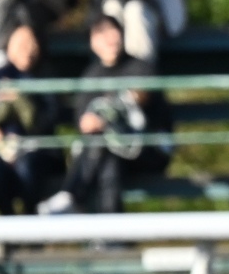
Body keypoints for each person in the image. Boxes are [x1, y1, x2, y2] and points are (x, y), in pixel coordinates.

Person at [38, 12, 172, 216]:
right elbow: (83, 123)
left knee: (104, 145)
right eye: (101, 32)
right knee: (109, 160)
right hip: (109, 152)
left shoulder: (141, 67)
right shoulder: (91, 77)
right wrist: (93, 122)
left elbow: (141, 95)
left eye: (112, 30)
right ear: (92, 42)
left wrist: (107, 114)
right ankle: (110, 230)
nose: (109, 38)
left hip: (148, 149)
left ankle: (71, 197)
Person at [0, 24, 60, 215]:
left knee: (27, 168)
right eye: (22, 43)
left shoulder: (44, 80)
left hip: (33, 150)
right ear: (8, 45)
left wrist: (18, 99)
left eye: (32, 43)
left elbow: (44, 121)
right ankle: (8, 222)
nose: (28, 49)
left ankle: (29, 221)